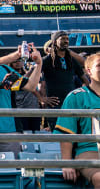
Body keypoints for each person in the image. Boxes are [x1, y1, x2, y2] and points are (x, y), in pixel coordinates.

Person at [53, 53, 100, 187]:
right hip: (89, 151)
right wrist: (67, 163)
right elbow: (66, 134)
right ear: (88, 71)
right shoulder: (76, 97)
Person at [41, 31, 89, 130]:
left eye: (67, 39)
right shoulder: (46, 60)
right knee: (58, 137)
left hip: (72, 104)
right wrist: (42, 98)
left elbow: (86, 80)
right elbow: (31, 80)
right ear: (54, 42)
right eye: (62, 39)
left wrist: (82, 95)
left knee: (73, 136)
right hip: (54, 105)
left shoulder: (72, 60)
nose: (66, 41)